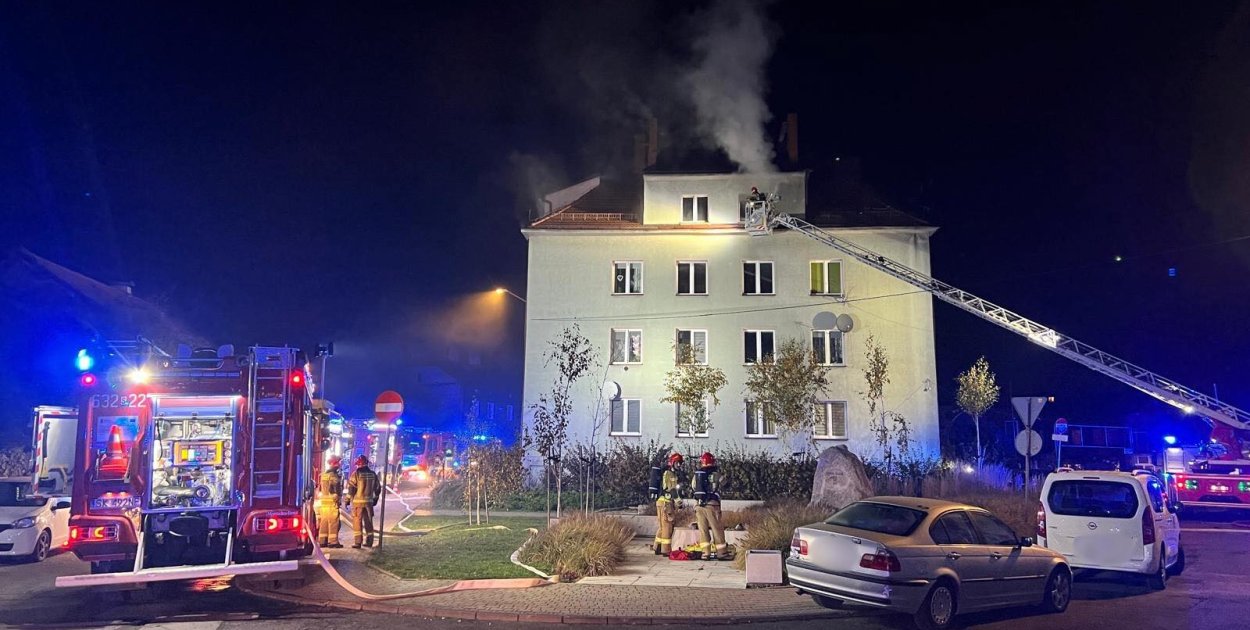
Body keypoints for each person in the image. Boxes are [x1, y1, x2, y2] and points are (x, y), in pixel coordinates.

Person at [693, 452, 730, 560]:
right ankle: (722, 553)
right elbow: (725, 483)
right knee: (716, 528)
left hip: (699, 505)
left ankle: (705, 553)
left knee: (703, 530)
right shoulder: (715, 474)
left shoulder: (697, 474)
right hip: (712, 505)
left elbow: (693, 486)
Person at [653, 452, 685, 556]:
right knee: (667, 526)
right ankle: (666, 550)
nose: (679, 465)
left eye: (680, 463)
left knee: (663, 526)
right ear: (672, 463)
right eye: (677, 463)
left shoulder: (673, 474)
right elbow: (670, 489)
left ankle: (657, 546)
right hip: (665, 503)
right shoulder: (668, 473)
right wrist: (678, 502)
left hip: (664, 502)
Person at [346, 455, 382, 548]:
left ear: (359, 464)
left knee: (357, 522)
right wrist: (375, 499)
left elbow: (351, 489)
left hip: (358, 503)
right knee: (368, 522)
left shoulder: (356, 474)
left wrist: (347, 500)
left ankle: (358, 542)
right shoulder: (373, 474)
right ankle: (369, 542)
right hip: (369, 503)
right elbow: (378, 488)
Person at [317, 456, 344, 548]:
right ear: (333, 463)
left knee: (324, 521)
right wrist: (338, 497)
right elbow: (336, 488)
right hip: (332, 502)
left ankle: (322, 541)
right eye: (338, 462)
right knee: (334, 522)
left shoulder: (324, 474)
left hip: (324, 502)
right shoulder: (334, 475)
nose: (339, 464)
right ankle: (333, 542)